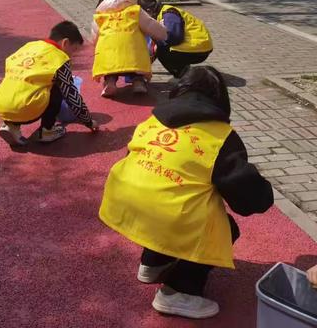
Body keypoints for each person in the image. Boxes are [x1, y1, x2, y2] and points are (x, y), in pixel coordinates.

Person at [99, 66, 273, 319]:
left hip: (123, 202)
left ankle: (152, 263)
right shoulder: (220, 137)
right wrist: (263, 193)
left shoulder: (153, 121)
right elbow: (248, 198)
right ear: (220, 99)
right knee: (223, 227)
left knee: (168, 201)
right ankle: (178, 291)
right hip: (164, 213)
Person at [0, 21, 99, 146]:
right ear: (65, 43)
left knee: (21, 83)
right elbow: (71, 96)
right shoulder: (59, 59)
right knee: (58, 86)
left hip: (1, 104)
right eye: (74, 50)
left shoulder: (30, 46)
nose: (72, 55)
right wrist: (89, 122)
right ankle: (47, 130)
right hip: (26, 108)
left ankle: (11, 126)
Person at [92, 0, 168, 97]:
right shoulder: (135, 11)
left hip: (109, 56)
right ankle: (138, 82)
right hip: (133, 55)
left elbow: (94, 39)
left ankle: (110, 81)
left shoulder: (100, 15)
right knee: (136, 56)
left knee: (110, 64)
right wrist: (163, 32)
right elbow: (151, 25)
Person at [138, 0, 213, 78]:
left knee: (163, 51)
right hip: (198, 45)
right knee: (160, 45)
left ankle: (182, 75)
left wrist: (156, 43)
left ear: (148, 10)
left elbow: (175, 38)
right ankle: (185, 69)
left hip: (198, 48)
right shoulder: (162, 12)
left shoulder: (169, 14)